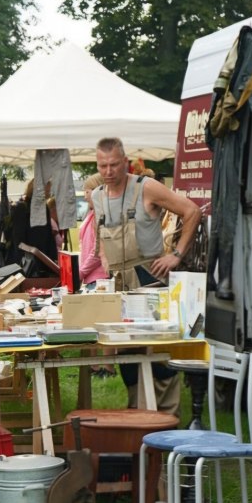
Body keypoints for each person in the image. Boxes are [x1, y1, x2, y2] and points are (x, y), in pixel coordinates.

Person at [90, 137, 201, 417]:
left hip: (149, 280)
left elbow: (192, 211)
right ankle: (137, 416)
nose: (108, 171)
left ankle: (165, 419)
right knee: (127, 356)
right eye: (102, 166)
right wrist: (104, 260)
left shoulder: (146, 188)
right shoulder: (97, 196)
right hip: (119, 285)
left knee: (158, 355)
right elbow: (102, 238)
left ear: (125, 161)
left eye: (114, 164)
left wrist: (175, 253)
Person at [78, 173, 110, 286]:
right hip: (92, 277)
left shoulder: (101, 216)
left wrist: (81, 272)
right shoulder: (93, 214)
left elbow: (97, 252)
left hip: (99, 278)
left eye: (87, 192)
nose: (85, 196)